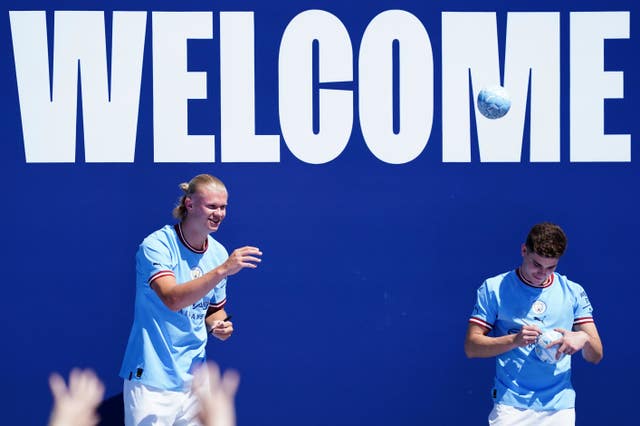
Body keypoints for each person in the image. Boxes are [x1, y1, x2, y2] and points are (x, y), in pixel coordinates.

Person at [119, 174, 262, 425]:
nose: (219, 213)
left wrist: (220, 325)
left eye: (223, 207)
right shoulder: (156, 245)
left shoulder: (217, 252)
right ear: (190, 204)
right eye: (212, 206)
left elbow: (214, 310)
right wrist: (223, 270)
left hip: (196, 383)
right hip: (151, 382)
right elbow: (172, 299)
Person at [464, 222, 603, 426]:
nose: (542, 273)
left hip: (559, 407)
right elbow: (471, 347)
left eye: (551, 267)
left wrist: (583, 339)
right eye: (536, 264)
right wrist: (514, 339)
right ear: (523, 250)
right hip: (511, 406)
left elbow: (596, 356)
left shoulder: (573, 292)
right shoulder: (493, 288)